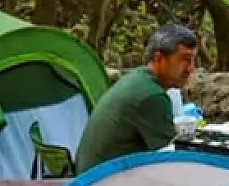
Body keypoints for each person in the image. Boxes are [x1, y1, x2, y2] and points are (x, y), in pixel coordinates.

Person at [74, 24, 197, 172]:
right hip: (103, 185)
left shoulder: (138, 78)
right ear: (159, 59)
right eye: (185, 59)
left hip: (89, 178)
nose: (190, 68)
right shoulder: (152, 96)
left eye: (193, 60)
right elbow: (172, 161)